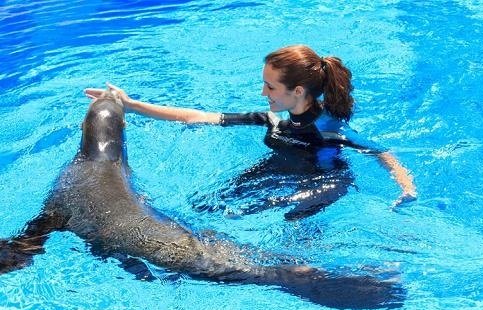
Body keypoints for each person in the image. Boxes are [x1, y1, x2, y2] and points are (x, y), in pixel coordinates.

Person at [85, 45, 417, 220]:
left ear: (298, 92)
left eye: (270, 86)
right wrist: (130, 104)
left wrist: (406, 188)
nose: (263, 93)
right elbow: (197, 117)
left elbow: (381, 152)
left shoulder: (330, 130)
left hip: (324, 182)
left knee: (291, 222)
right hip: (279, 169)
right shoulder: (273, 120)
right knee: (204, 206)